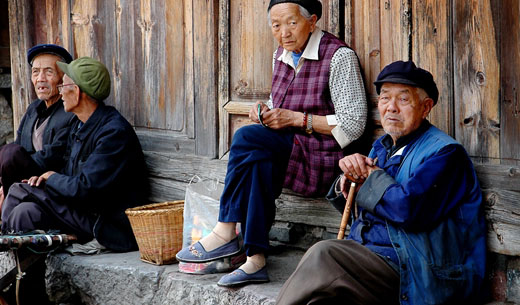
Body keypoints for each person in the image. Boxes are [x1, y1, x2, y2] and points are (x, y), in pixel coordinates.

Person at [176, 0, 367, 287]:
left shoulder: (338, 57)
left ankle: (225, 228)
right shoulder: (281, 54)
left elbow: (353, 124)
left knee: (244, 137)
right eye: (276, 26)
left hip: (324, 157)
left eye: (291, 23)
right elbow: (281, 107)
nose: (283, 33)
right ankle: (256, 259)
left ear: (312, 21)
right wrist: (264, 111)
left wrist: (298, 120)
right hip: (289, 149)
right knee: (257, 157)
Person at [275, 60, 487, 304]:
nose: (391, 108)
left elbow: (409, 210)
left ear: (425, 107)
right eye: (385, 98)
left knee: (324, 254)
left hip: (415, 271)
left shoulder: (446, 155)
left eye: (403, 99)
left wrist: (372, 176)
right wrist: (347, 180)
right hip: (370, 260)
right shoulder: (382, 147)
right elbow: (367, 205)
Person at [1, 57, 148, 252]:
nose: (61, 92)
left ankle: (2, 243)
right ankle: (28, 282)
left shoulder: (114, 133)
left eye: (64, 86)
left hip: (105, 224)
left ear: (77, 92)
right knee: (24, 213)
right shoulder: (80, 124)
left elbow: (85, 189)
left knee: (21, 190)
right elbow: (68, 171)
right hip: (80, 210)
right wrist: (43, 180)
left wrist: (52, 178)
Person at [0, 44, 76, 209]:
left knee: (10, 153)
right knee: (9, 151)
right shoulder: (33, 108)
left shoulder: (71, 112)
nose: (40, 78)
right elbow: (19, 142)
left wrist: (14, 164)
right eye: (35, 72)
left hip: (49, 183)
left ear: (64, 77)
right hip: (22, 180)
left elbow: (56, 155)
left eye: (49, 72)